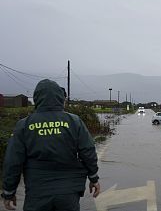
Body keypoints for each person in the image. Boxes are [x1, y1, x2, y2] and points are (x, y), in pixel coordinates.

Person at [1, 79, 100, 211]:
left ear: (37, 98)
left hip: (37, 193)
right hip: (68, 193)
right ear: (60, 97)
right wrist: (93, 178)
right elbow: (88, 151)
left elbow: (13, 162)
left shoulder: (24, 125)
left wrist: (9, 191)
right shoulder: (74, 121)